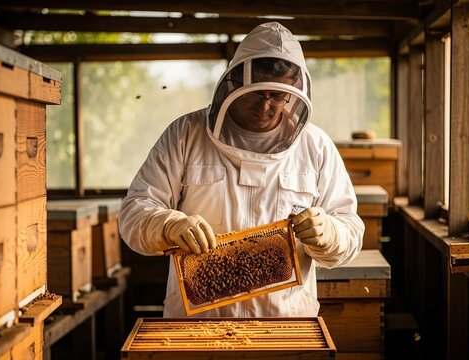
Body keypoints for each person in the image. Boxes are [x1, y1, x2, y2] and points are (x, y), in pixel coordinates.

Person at [120, 22, 364, 318]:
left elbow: (350, 229)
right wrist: (169, 225)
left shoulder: (316, 146)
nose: (266, 106)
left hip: (285, 323)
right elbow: (134, 213)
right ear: (236, 80)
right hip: (198, 324)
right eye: (257, 93)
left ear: (293, 91)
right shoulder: (185, 134)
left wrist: (329, 233)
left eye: (277, 95)